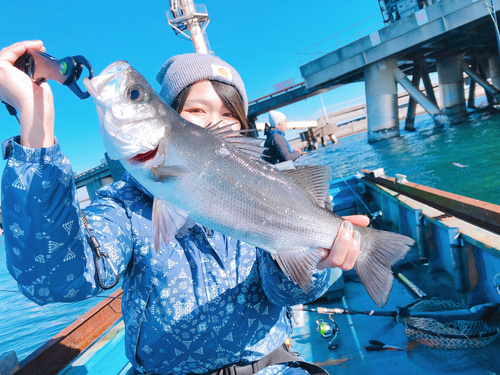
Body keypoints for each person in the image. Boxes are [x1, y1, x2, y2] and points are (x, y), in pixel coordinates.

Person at [0, 40, 369, 375]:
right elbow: (53, 281)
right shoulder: (126, 208)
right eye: (196, 109)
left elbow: (290, 293)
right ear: (172, 119)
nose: (213, 123)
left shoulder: (272, 187)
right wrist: (35, 124)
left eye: (229, 115)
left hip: (270, 367)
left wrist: (319, 260)